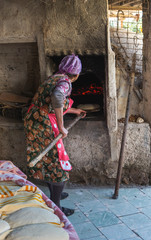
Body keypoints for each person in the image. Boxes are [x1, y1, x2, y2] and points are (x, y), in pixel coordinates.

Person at [24, 54, 86, 216]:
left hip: (34, 121)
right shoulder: (65, 82)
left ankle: (55, 195)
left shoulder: (53, 78)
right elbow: (57, 97)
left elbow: (50, 102)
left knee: (48, 160)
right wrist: (61, 126)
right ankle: (56, 206)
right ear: (77, 74)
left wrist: (74, 110)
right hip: (44, 125)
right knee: (57, 164)